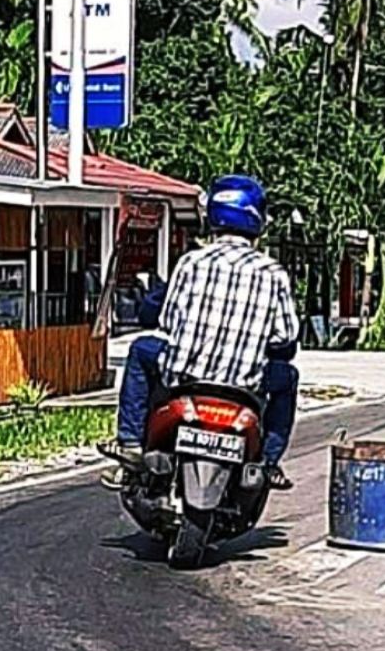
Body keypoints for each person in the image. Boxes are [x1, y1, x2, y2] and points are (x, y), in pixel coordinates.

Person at [99, 174, 300, 491]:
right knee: (286, 377)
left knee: (140, 350)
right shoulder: (273, 273)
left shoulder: (191, 262)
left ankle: (130, 443)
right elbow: (286, 338)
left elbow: (167, 320)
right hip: (245, 385)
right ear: (257, 220)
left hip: (184, 377)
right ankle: (269, 462)